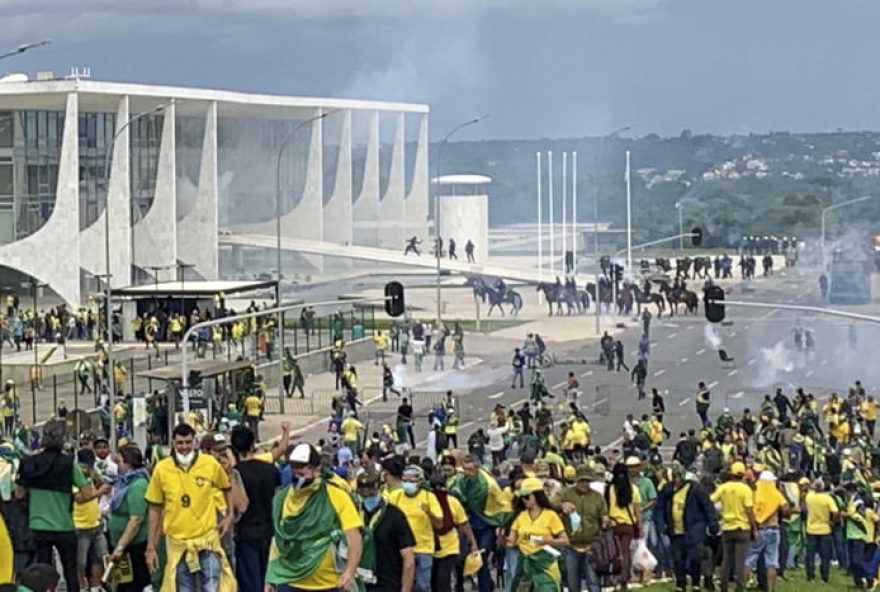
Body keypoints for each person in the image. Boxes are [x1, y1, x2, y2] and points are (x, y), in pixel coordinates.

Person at [15, 420, 105, 592]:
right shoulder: (68, 464)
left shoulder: (30, 462)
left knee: (42, 571)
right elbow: (86, 494)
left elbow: (19, 494)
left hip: (38, 524)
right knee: (70, 570)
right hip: (64, 525)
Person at [145, 422, 236, 592]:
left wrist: (230, 515)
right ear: (173, 443)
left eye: (188, 442)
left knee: (212, 588)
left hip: (207, 542)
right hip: (178, 545)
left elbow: (227, 487)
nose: (184, 447)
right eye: (180, 443)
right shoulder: (162, 469)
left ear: (194, 442)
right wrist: (151, 547)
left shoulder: (209, 464)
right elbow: (154, 509)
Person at [266, 443, 363, 591]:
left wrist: (350, 571)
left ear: (316, 469)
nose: (297, 476)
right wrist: (270, 577)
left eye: (302, 472)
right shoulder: (282, 498)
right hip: (290, 580)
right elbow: (279, 540)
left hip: (329, 584)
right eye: (294, 471)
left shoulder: (335, 495)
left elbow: (353, 536)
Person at [655, 464, 719, 592]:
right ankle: (680, 584)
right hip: (675, 530)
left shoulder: (696, 489)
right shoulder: (667, 490)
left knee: (695, 557)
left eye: (678, 476)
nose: (676, 479)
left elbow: (708, 507)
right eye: (673, 476)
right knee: (678, 558)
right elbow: (660, 508)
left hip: (694, 529)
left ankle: (695, 582)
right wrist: (662, 524)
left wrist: (713, 525)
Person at [355, 471, 415, 592]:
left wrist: (405, 589)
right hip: (358, 583)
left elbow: (408, 559)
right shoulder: (354, 514)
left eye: (371, 493)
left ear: (380, 489)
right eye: (363, 494)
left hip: (388, 583)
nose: (367, 497)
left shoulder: (395, 516)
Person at [386, 465, 443, 592]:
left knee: (422, 586)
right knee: (403, 584)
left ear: (420, 482)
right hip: (401, 548)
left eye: (411, 481)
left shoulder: (429, 497)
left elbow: (439, 524)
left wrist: (429, 513)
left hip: (424, 548)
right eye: (405, 480)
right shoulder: (395, 497)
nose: (407, 484)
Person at [507, 476, 570, 590]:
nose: (524, 500)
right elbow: (511, 543)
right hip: (525, 566)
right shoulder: (520, 516)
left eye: (527, 497)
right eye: (522, 497)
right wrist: (502, 537)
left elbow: (565, 541)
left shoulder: (550, 515)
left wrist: (546, 541)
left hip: (545, 564)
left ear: (536, 496)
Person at [555, 465, 608, 592]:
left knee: (593, 582)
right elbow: (551, 503)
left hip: (591, 546)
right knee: (573, 583)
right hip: (570, 546)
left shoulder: (597, 497)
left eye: (587, 481)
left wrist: (606, 520)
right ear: (576, 480)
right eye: (581, 480)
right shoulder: (565, 493)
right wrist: (561, 505)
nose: (584, 484)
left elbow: (603, 514)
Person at [107, 445, 151, 592]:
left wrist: (120, 546)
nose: (117, 466)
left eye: (119, 462)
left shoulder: (137, 485)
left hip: (134, 546)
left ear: (128, 463)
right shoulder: (123, 482)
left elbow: (136, 519)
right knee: (122, 585)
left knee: (134, 586)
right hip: (122, 545)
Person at [710, 461, 757, 592]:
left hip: (727, 527)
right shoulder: (746, 489)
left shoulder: (724, 488)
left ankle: (723, 586)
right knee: (740, 561)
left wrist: (720, 513)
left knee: (727, 559)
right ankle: (739, 587)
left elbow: (711, 500)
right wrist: (754, 528)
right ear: (742, 475)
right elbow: (749, 510)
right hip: (742, 528)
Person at [746, 471, 788, 592]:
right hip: (774, 529)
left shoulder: (754, 493)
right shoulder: (776, 494)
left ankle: (742, 585)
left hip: (759, 529)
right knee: (772, 562)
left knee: (749, 560)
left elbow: (750, 510)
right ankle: (770, 589)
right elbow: (785, 509)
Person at [607, 459, 642, 591]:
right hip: (628, 525)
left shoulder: (609, 489)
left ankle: (612, 577)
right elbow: (637, 512)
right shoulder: (633, 489)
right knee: (625, 553)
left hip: (613, 524)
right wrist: (640, 528)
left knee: (612, 553)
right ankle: (624, 579)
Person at [803, 478, 838, 583]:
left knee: (810, 555)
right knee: (825, 555)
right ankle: (824, 577)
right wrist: (832, 522)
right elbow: (835, 512)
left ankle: (810, 576)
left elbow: (804, 509)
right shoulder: (827, 498)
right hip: (825, 529)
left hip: (811, 529)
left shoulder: (809, 497)